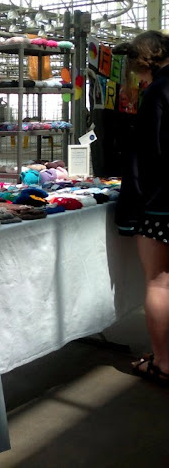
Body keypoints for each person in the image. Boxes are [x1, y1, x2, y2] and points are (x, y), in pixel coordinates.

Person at [114, 30, 169, 384]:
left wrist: (132, 205)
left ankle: (163, 363)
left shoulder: (157, 92)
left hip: (163, 203)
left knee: (160, 283)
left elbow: (147, 155)